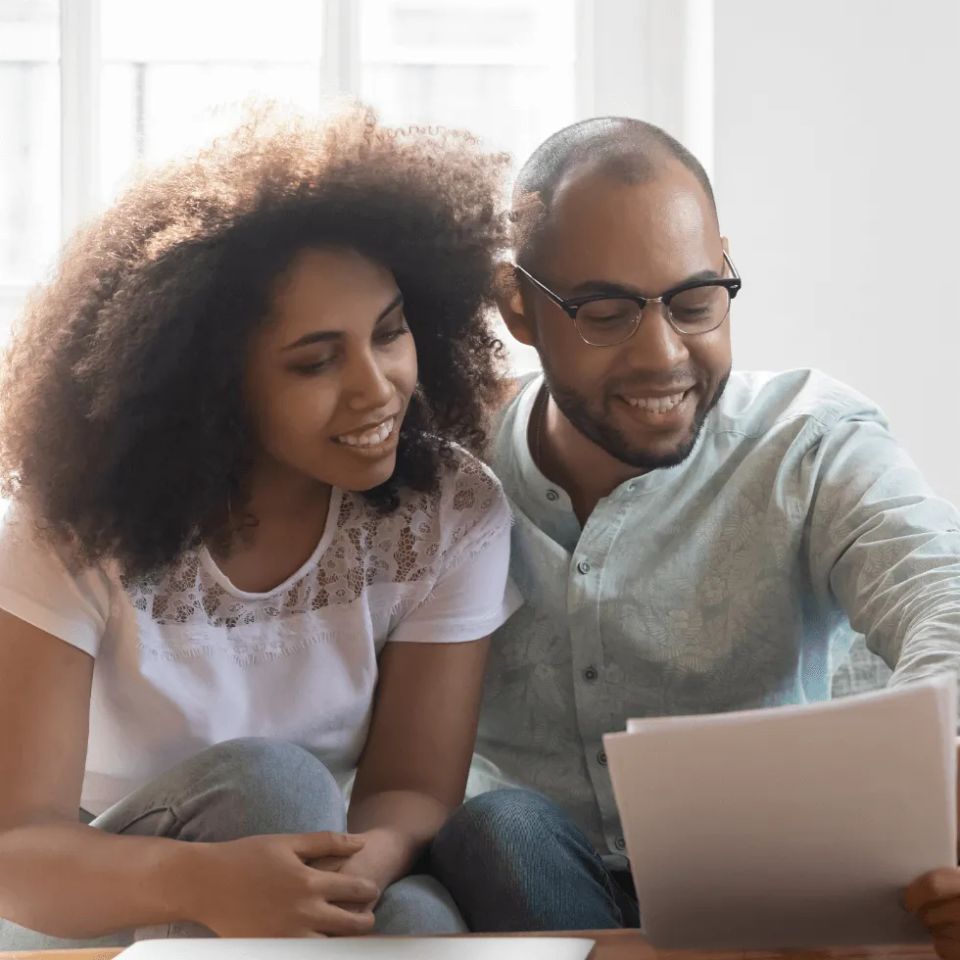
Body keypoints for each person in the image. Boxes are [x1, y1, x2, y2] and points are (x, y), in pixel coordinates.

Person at [427, 117, 960, 950]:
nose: (662, 354)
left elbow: (945, 596)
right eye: (606, 313)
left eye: (695, 302)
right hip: (531, 894)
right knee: (500, 824)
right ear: (519, 307)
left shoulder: (809, 440)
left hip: (773, 893)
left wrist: (929, 788)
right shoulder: (446, 474)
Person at [0, 106, 520, 949]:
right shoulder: (73, 525)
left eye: (390, 333)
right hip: (95, 899)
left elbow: (412, 793)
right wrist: (211, 883)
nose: (377, 388)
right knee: (273, 784)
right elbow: (16, 852)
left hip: (311, 863)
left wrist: (351, 874)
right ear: (211, 386)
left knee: (419, 918)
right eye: (316, 361)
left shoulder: (448, 512)